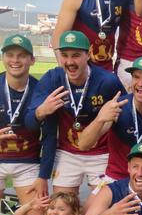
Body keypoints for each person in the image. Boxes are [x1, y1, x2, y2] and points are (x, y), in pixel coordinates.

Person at [26, 31, 124, 195]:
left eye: (76, 55)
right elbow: (29, 122)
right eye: (64, 55)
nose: (70, 62)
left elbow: (125, 114)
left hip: (101, 153)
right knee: (61, 208)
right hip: (67, 153)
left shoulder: (107, 81)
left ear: (88, 54)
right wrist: (42, 111)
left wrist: (109, 118)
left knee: (101, 208)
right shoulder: (52, 79)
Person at [76, 55, 142, 182]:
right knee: (92, 203)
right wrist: (99, 119)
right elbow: (83, 145)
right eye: (136, 77)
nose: (140, 83)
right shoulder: (118, 106)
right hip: (116, 178)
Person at [0, 34, 51, 206]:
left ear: (32, 60)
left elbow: (50, 137)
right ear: (3, 58)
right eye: (10, 55)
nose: (15, 60)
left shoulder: (42, 90)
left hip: (27, 161)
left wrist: (43, 176)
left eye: (21, 55)